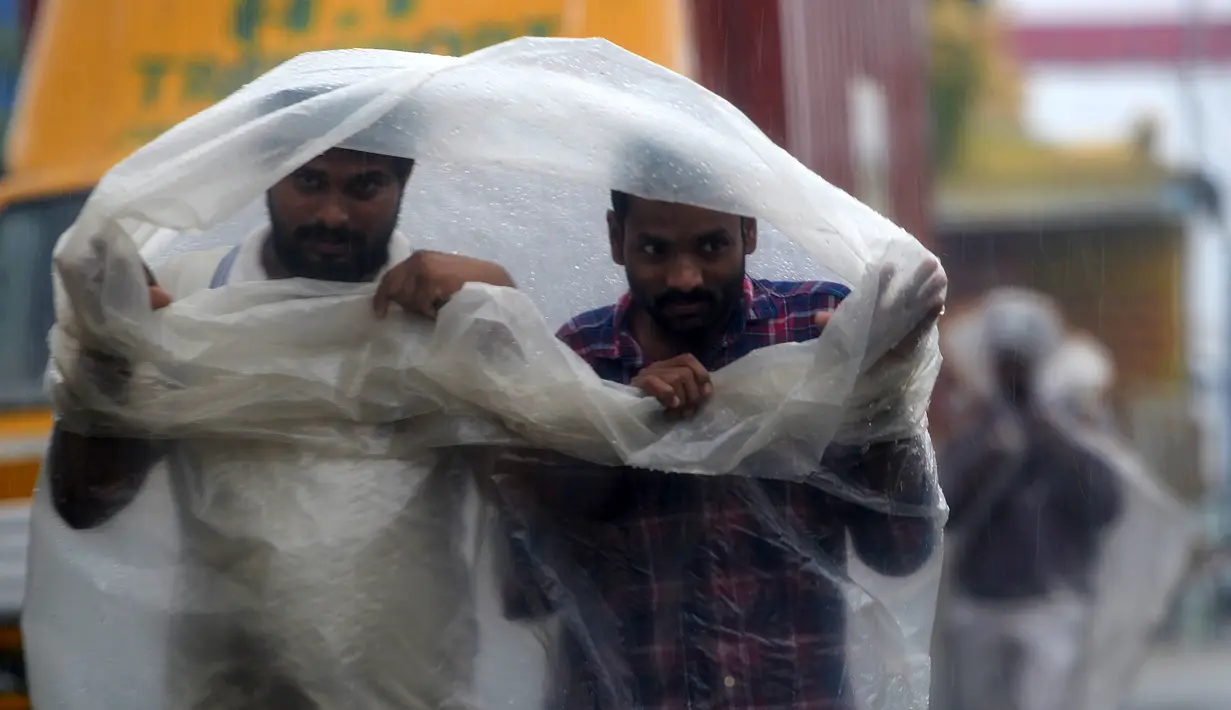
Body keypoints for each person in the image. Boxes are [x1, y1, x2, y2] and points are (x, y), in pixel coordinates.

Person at [498, 171, 946, 709]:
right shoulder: (580, 365)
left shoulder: (817, 335)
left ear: (748, 231)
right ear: (617, 239)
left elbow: (900, 552)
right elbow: (526, 587)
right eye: (655, 250)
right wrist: (619, 428)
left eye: (711, 246)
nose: (685, 277)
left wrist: (882, 398)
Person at [938, 290, 1124, 710]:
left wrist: (1048, 435)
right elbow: (943, 507)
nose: (1014, 370)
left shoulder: (1073, 426)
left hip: (1050, 606)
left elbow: (1107, 503)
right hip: (979, 604)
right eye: (1006, 359)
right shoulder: (975, 424)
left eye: (1022, 358)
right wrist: (992, 451)